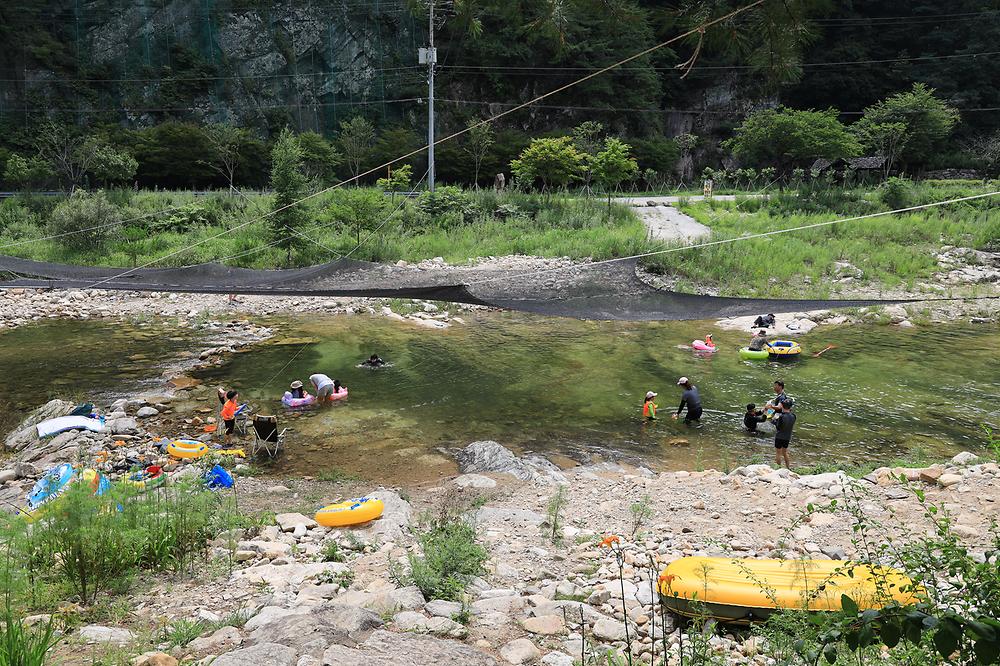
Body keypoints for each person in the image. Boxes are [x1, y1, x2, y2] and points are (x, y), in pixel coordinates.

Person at [773, 399, 796, 468]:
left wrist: (774, 420)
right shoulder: (793, 416)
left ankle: (778, 468)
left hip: (779, 437)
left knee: (778, 453)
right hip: (787, 437)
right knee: (785, 452)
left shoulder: (781, 417)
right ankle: (788, 467)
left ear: (782, 406)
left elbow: (778, 427)